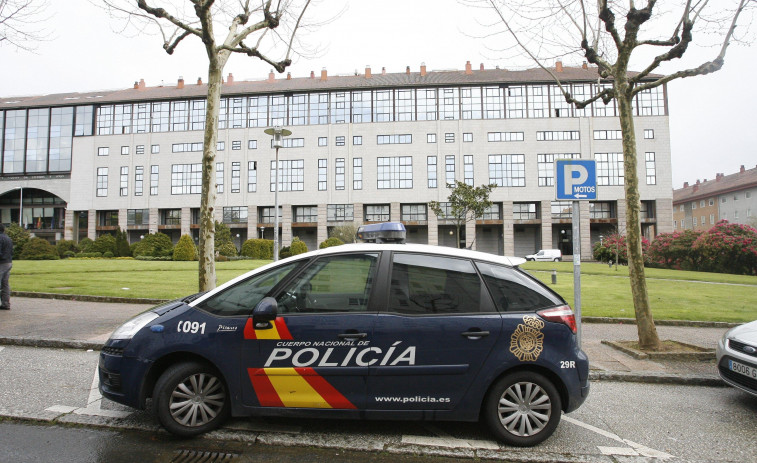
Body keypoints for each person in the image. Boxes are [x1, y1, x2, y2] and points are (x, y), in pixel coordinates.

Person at [0, 224, 13, 310]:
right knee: (5, 284)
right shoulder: (8, 238)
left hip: (1, 263)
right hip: (8, 262)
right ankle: (6, 303)